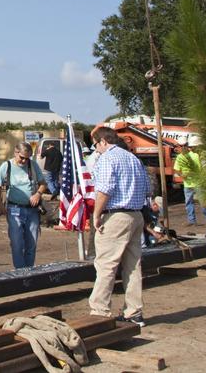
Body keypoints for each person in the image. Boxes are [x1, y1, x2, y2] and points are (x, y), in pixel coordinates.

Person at [89, 126, 152, 327]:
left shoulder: (108, 158)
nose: (95, 149)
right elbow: (147, 188)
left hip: (116, 215)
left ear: (103, 142)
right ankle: (134, 312)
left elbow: (105, 189)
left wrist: (96, 214)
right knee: (133, 266)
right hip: (136, 214)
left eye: (95, 145)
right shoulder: (133, 159)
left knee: (106, 265)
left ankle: (100, 312)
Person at [0, 142, 48, 269]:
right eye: (22, 157)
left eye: (27, 158)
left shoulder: (33, 166)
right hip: (14, 209)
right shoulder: (6, 166)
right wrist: (0, 205)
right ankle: (20, 272)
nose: (24, 161)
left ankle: (29, 270)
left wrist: (38, 194)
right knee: (17, 243)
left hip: (32, 211)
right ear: (15, 153)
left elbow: (43, 183)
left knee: (31, 243)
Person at [174, 146, 206, 225]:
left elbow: (201, 168)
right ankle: (195, 220)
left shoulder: (194, 155)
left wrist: (184, 175)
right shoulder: (180, 157)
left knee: (201, 202)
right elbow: (177, 169)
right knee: (194, 202)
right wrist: (182, 175)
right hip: (189, 184)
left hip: (197, 182)